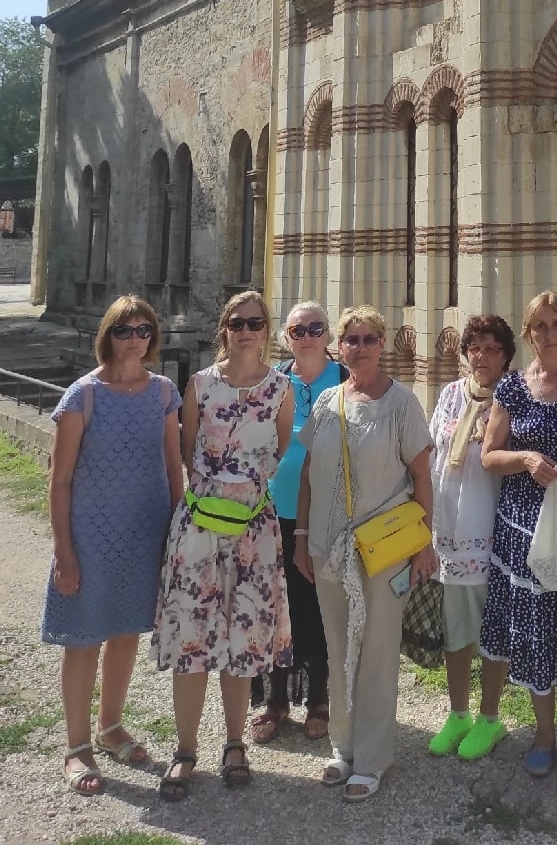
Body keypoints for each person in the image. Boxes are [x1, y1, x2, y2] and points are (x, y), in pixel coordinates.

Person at [153, 290, 294, 799]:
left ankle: (235, 743)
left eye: (255, 322)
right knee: (192, 640)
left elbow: (276, 454)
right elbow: (191, 457)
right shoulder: (200, 385)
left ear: (266, 329)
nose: (246, 329)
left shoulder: (282, 389)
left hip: (254, 531)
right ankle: (185, 749)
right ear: (225, 328)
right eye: (237, 321)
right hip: (200, 530)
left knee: (242, 642)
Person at [293, 306, 435, 801]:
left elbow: (422, 478)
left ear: (383, 343)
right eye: (351, 339)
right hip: (329, 547)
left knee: (375, 652)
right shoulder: (329, 400)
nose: (360, 347)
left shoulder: (401, 404)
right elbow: (310, 471)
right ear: (341, 346)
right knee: (338, 648)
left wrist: (424, 546)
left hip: (384, 551)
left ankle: (372, 760)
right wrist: (302, 537)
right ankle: (343, 745)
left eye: (369, 338)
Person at [42, 295, 184, 795]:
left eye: (144, 330)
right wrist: (64, 550)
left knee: (126, 631)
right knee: (83, 639)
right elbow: (59, 481)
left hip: (144, 531)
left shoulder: (164, 391)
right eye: (125, 330)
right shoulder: (84, 395)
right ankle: (77, 746)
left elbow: (172, 466)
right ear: (108, 334)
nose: (135, 339)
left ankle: (110, 725)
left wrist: (176, 530)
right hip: (90, 533)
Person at [479, 290, 557, 777]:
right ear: (529, 335)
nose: (548, 334)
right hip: (524, 524)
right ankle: (541, 731)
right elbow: (490, 455)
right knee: (536, 629)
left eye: (556, 324)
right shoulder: (511, 389)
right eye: (539, 327)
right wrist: (526, 459)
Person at [249, 301, 344, 745]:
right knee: (271, 609)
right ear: (286, 337)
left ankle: (320, 697)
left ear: (327, 335)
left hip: (325, 515)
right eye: (297, 329)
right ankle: (276, 698)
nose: (306, 336)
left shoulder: (343, 379)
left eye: (315, 328)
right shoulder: (271, 382)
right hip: (270, 512)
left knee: (316, 608)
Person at [427, 313, 516, 761]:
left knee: (492, 632)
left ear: (506, 357)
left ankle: (490, 717)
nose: (482, 356)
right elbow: (431, 458)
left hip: (492, 532)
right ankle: (458, 712)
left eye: (492, 349)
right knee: (456, 631)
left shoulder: (513, 397)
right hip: (448, 531)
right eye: (475, 348)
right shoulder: (448, 395)